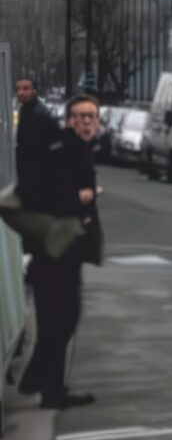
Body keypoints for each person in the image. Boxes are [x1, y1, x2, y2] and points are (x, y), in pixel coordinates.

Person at [18, 90, 103, 410]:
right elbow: (46, 195)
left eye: (90, 117)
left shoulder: (79, 148)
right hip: (54, 251)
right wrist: (81, 197)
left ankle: (40, 382)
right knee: (59, 319)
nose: (85, 123)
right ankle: (47, 390)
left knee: (64, 317)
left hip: (66, 250)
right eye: (79, 117)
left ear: (99, 122)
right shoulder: (63, 150)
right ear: (68, 121)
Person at [12, 76, 59, 198]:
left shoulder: (39, 113)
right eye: (18, 89)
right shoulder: (24, 109)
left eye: (25, 88)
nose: (21, 92)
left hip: (37, 176)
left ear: (34, 91)